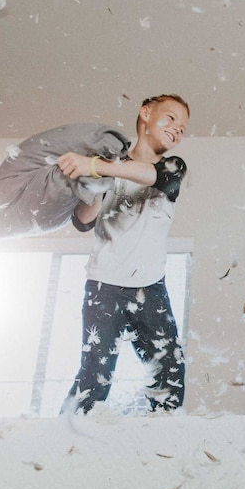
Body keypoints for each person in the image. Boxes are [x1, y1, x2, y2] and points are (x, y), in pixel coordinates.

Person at [57, 94, 190, 415]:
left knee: (170, 374)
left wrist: (97, 165)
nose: (177, 129)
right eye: (171, 118)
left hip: (150, 289)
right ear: (145, 113)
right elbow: (82, 221)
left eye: (183, 128)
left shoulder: (171, 166)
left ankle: (159, 445)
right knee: (95, 377)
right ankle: (62, 441)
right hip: (103, 288)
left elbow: (156, 178)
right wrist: (95, 179)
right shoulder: (107, 167)